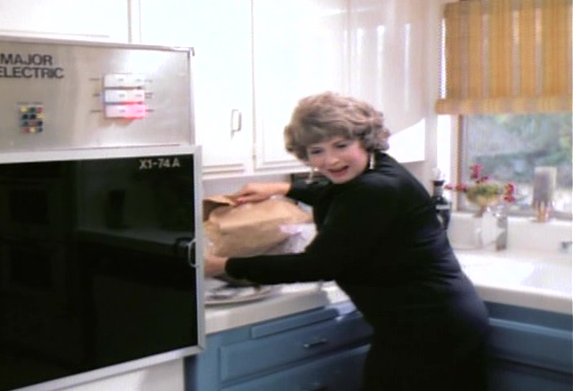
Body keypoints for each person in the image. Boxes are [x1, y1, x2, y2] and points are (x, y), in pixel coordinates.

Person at [205, 91, 490, 391]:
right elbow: (337, 194)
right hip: (438, 319)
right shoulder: (377, 168)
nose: (330, 160)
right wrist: (283, 188)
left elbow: (316, 265)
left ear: (365, 140)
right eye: (316, 151)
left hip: (429, 330)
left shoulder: (374, 189)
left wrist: (224, 265)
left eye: (341, 145)